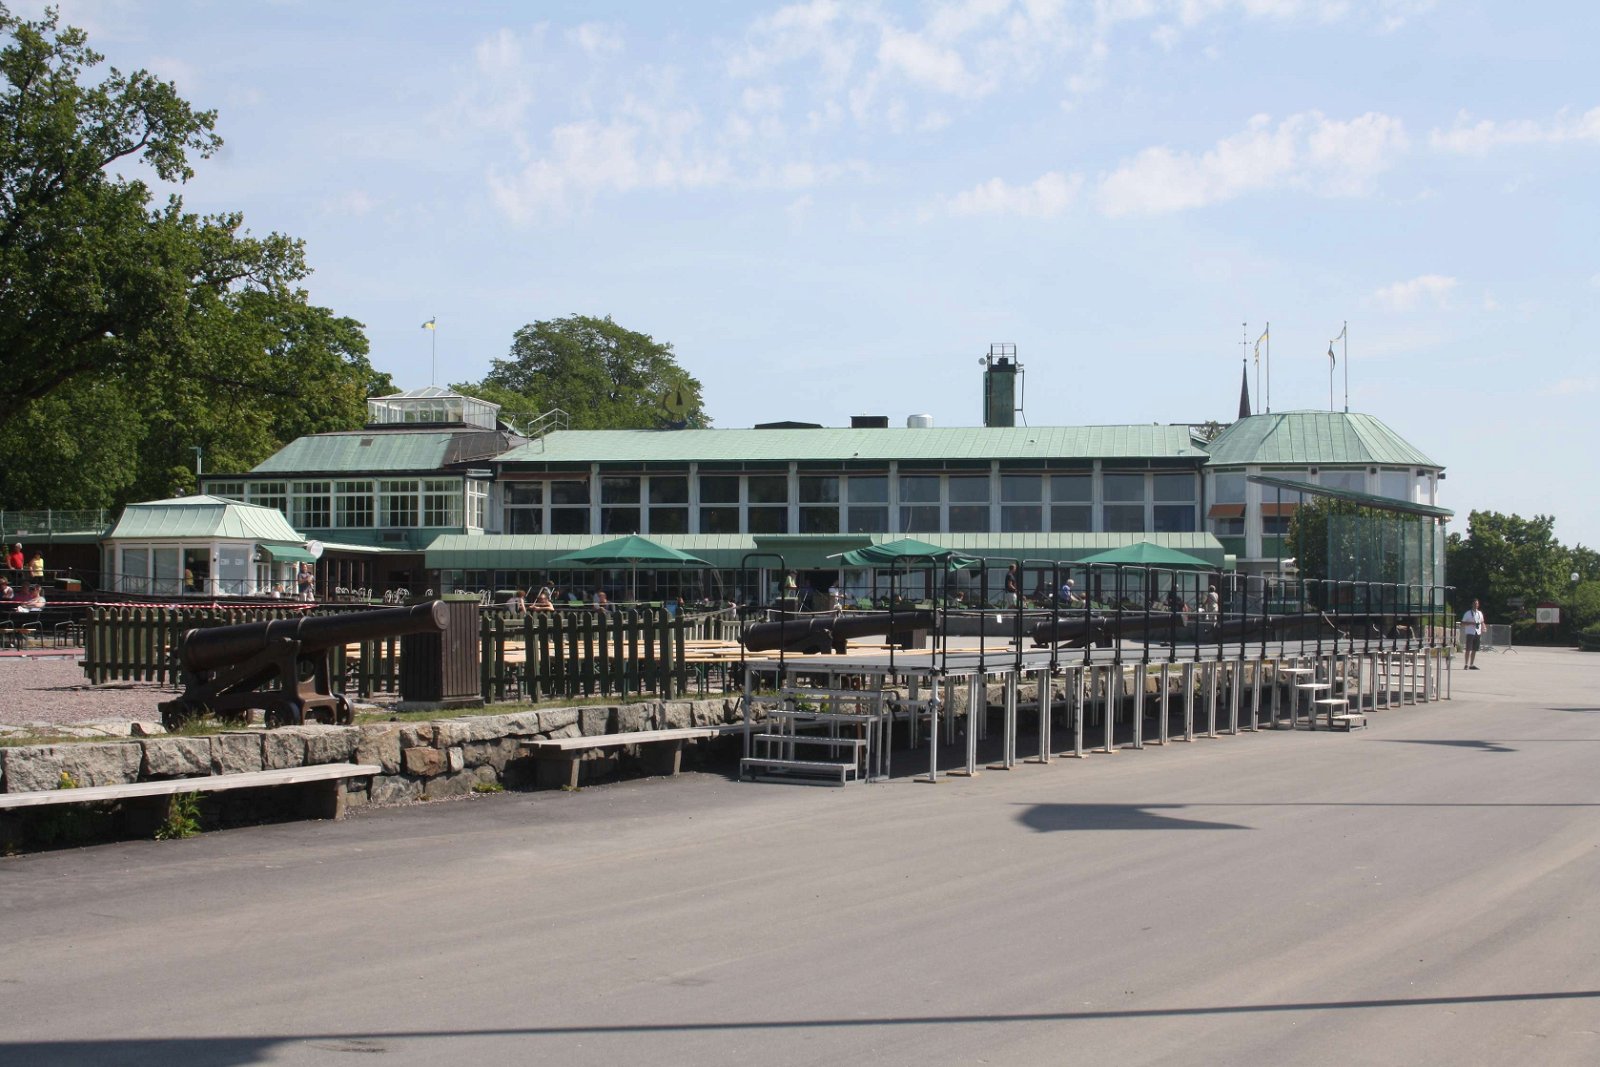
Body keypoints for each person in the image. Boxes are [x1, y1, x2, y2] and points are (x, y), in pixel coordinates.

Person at [1461, 598, 1485, 669]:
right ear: (1472, 604)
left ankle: (1471, 664)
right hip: (1470, 633)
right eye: (1474, 603)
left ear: (1478, 605)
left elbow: (1482, 622)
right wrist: (1471, 623)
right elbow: (1462, 623)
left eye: (1477, 604)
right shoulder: (1468, 613)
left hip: (1477, 632)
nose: (1476, 605)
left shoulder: (1479, 613)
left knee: (1475, 649)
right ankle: (1466, 664)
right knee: (1468, 649)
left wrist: (1483, 627)